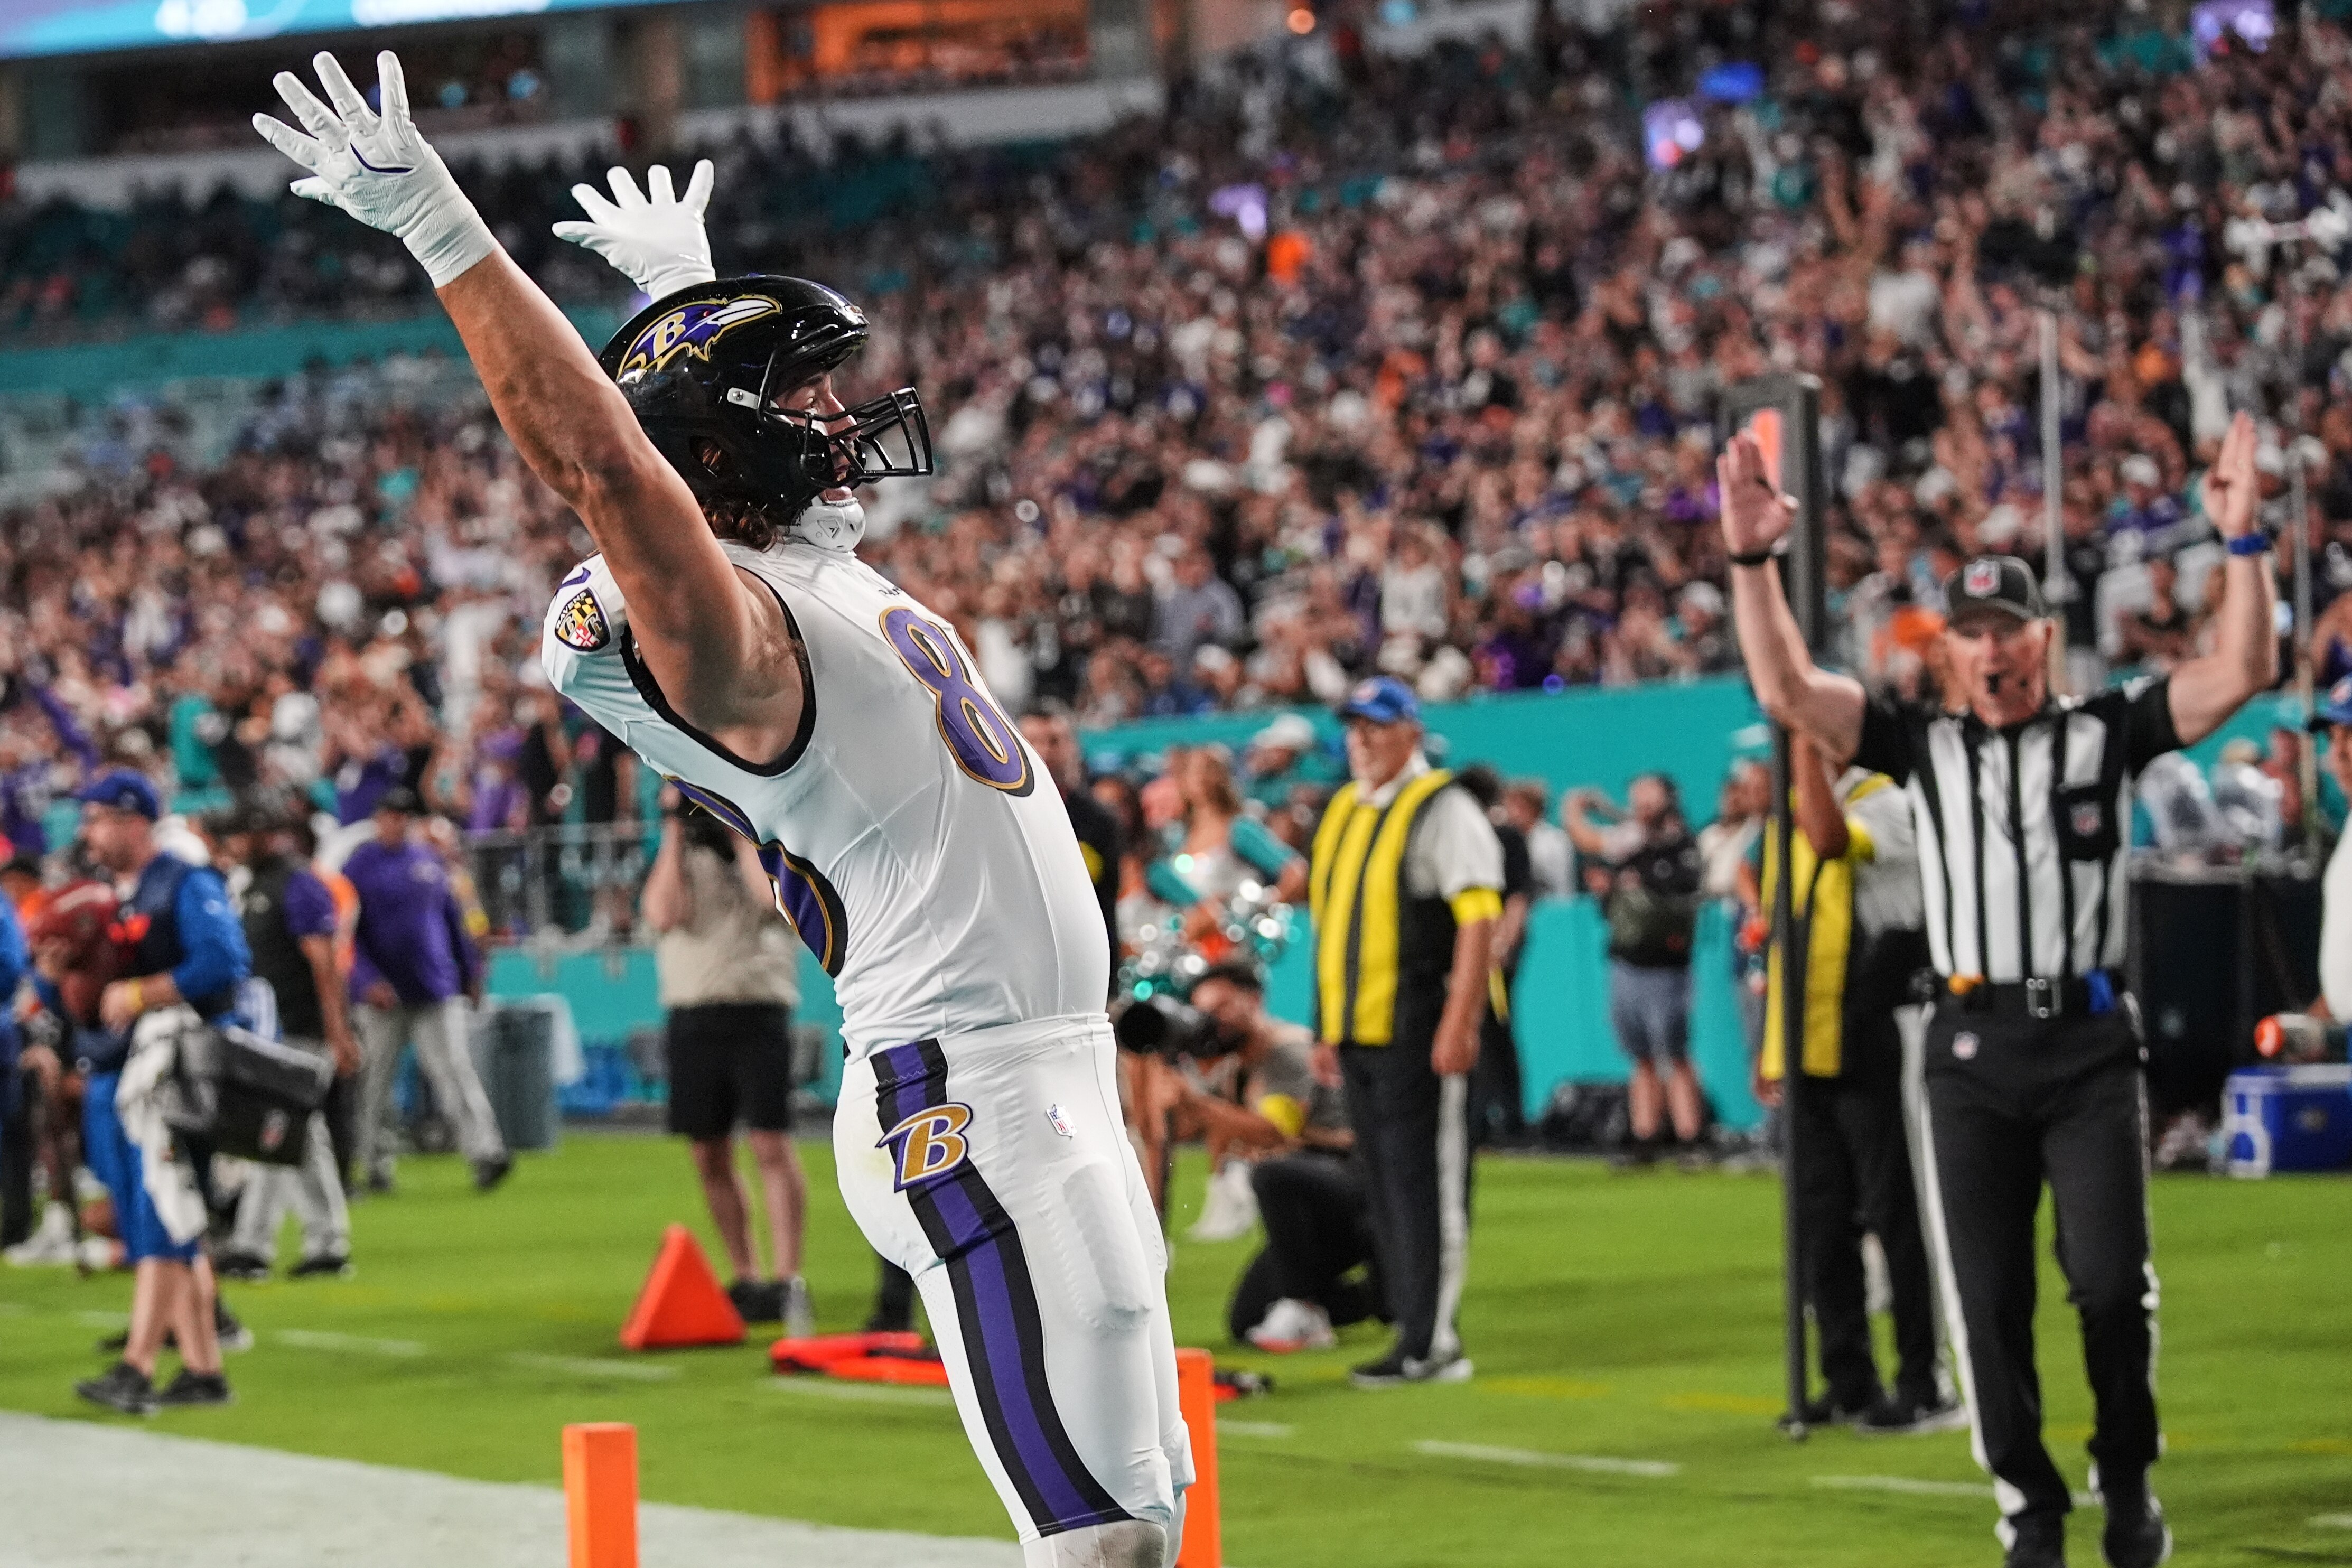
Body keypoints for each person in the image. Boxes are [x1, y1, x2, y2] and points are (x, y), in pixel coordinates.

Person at [256, 68, 1189, 1563]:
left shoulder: (816, 575)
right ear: (721, 456)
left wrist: (685, 308)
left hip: (1053, 1070)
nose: (839, 419)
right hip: (968, 1094)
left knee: (1146, 1521)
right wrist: (442, 227)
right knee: (1100, 1544)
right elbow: (617, 474)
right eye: (797, 402)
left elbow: (668, 454)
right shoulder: (730, 641)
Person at [1719, 414, 2278, 1568]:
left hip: (2087, 1042)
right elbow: (1787, 686)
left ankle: (2125, 1469)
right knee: (1987, 1297)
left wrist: (2243, 541)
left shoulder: (2104, 730)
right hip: (1969, 1048)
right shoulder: (1920, 745)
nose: (1991, 651)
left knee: (2111, 1283)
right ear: (1949, 653)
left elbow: (2243, 672)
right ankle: (2028, 1501)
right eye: (1969, 634)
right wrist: (1751, 559)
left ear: (2043, 638)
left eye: (2007, 629)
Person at [1756, 735, 1956, 1436]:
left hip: (1880, 1027)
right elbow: (1785, 933)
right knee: (1821, 1220)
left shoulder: (1887, 802)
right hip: (1812, 1039)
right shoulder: (1786, 816)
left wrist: (1803, 754)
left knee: (1900, 1212)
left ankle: (1926, 1379)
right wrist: (1773, 1047)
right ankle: (1848, 1376)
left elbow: (1832, 839)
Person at [1305, 676, 1501, 1387]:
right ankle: (1409, 1325)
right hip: (1359, 1028)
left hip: (1419, 1024)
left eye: (1376, 726)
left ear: (1412, 733)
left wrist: (1461, 1020)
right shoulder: (1344, 808)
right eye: (1354, 727)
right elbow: (1333, 926)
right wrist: (1325, 1025)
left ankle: (1434, 1341)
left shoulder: (1443, 807)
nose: (1361, 741)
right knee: (1386, 1184)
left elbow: (1479, 920)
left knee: (1428, 1186)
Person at [36, 770, 250, 1413]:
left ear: (134, 821)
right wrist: (53, 977)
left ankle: (137, 1365)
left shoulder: (182, 880)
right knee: (156, 1222)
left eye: (98, 819)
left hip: (167, 1073)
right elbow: (84, 1006)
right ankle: (204, 1369)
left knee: (162, 1220)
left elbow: (225, 961)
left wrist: (143, 992)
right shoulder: (111, 896)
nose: (88, 833)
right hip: (118, 1072)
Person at [640, 786, 813, 1335]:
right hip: (693, 1011)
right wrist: (674, 829)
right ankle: (746, 1274)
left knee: (770, 1143)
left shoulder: (765, 849)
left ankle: (788, 1276)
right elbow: (663, 914)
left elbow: (772, 903)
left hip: (759, 1007)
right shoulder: (680, 855)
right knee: (707, 1153)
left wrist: (742, 832)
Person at [1170, 963, 1374, 1355]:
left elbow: (1275, 1131)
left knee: (1274, 1174)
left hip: (1351, 1187)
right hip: (1309, 1205)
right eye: (1203, 1012)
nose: (1212, 1021)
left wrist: (1195, 1102)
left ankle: (1304, 1306)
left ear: (1255, 1000)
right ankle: (1377, 1299)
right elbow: (1186, 1130)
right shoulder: (1237, 1063)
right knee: (1247, 1320)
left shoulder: (1286, 1050)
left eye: (1222, 1007)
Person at [214, 802, 360, 1280]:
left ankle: (254, 1245)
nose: (233, 844)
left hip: (300, 1028)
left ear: (263, 834)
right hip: (267, 1031)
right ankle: (326, 1243)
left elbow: (324, 961)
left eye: (239, 834)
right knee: (298, 1136)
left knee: (277, 1133)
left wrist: (337, 1031)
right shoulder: (254, 884)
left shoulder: (297, 883)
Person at [343, 787, 511, 1194]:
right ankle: (373, 1162)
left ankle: (486, 1153)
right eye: (391, 815)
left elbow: (453, 922)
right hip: (382, 996)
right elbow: (346, 935)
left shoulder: (429, 862)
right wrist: (365, 981)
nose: (398, 823)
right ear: (378, 820)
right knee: (375, 1084)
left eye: (404, 816)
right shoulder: (358, 867)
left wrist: (470, 974)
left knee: (454, 1070)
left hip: (434, 987)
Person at [1564, 774, 1706, 1165]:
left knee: (1675, 1053)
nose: (1641, 802)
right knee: (1640, 1055)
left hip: (1668, 967)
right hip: (1626, 961)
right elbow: (1590, 841)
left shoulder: (1681, 843)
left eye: (1649, 795)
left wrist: (1633, 884)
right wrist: (1575, 811)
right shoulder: (1633, 837)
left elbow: (1679, 894)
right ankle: (1646, 1137)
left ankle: (1691, 1138)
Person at [1455, 764, 1533, 1148]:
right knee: (1475, 1030)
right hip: (1470, 950)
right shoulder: (1461, 837)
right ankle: (1477, 1120)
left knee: (1494, 1031)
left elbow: (1517, 898)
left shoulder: (1506, 838)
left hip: (1493, 953)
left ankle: (1508, 1119)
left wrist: (1500, 947)